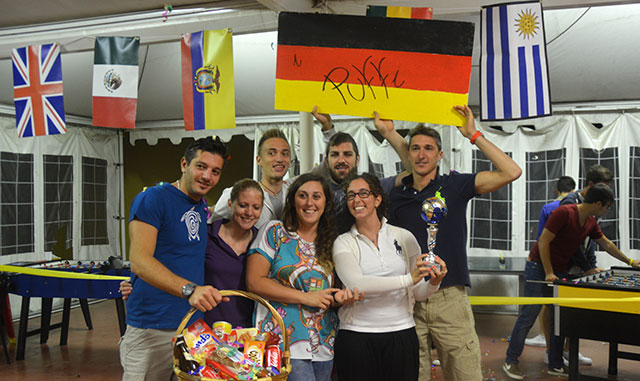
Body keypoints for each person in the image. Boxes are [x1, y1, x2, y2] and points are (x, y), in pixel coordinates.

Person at [380, 105, 522, 380]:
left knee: (465, 374)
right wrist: (390, 133)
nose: (422, 154)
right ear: (408, 155)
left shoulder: (455, 185)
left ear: (440, 155)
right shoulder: (395, 194)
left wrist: (473, 134)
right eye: (416, 148)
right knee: (411, 374)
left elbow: (511, 171)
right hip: (407, 300)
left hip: (449, 297)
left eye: (429, 148)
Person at [503, 183, 640, 379]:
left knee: (559, 318)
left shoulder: (590, 222)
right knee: (529, 315)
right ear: (599, 203)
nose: (607, 211)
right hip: (538, 267)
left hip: (559, 270)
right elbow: (543, 241)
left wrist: (630, 261)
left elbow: (607, 244)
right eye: (607, 207)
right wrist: (549, 272)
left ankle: (555, 363)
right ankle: (511, 360)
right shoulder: (564, 213)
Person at [120, 137, 229, 381]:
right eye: (200, 166)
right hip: (152, 327)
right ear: (184, 164)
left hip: (192, 327)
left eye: (215, 171)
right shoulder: (154, 198)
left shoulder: (202, 207)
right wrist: (190, 290)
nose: (207, 176)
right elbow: (139, 260)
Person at [246, 173, 361, 381]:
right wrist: (305, 297)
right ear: (292, 201)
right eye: (303, 196)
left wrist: (339, 299)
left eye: (316, 196)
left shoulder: (331, 243)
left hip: (323, 342)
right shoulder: (275, 231)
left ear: (326, 202)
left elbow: (325, 295)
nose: (309, 203)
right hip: (282, 340)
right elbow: (254, 282)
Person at [332, 172, 447, 381]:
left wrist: (434, 282)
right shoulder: (343, 242)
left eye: (363, 193)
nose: (356, 200)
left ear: (377, 199)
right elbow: (356, 283)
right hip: (357, 335)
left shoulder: (404, 237)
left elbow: (417, 292)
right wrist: (407, 280)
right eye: (350, 195)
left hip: (402, 333)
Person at [121, 178, 265, 329]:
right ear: (230, 204)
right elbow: (173, 262)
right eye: (243, 205)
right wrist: (137, 283)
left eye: (256, 207)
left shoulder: (262, 243)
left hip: (247, 328)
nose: (249, 213)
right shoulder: (206, 234)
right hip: (202, 327)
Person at [311, 108, 410, 234]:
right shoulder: (315, 193)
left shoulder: (372, 188)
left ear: (358, 159)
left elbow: (411, 172)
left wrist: (390, 133)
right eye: (335, 155)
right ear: (326, 161)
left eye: (347, 154)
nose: (341, 160)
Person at [525, 176, 575, 349]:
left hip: (549, 264)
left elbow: (541, 238)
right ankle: (567, 350)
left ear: (557, 190)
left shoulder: (548, 207)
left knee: (547, 304)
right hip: (569, 262)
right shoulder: (577, 209)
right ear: (574, 190)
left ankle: (546, 341)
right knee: (566, 308)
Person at [213, 129, 291, 229]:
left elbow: (317, 173)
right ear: (259, 160)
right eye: (271, 153)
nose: (279, 159)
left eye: (285, 154)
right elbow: (213, 229)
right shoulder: (237, 194)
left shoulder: (296, 190)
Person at [559, 164, 613, 274]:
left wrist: (592, 266)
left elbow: (592, 239)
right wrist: (587, 268)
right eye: (602, 188)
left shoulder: (594, 204)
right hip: (562, 266)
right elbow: (570, 242)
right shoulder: (570, 203)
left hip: (577, 267)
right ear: (591, 184)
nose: (604, 192)